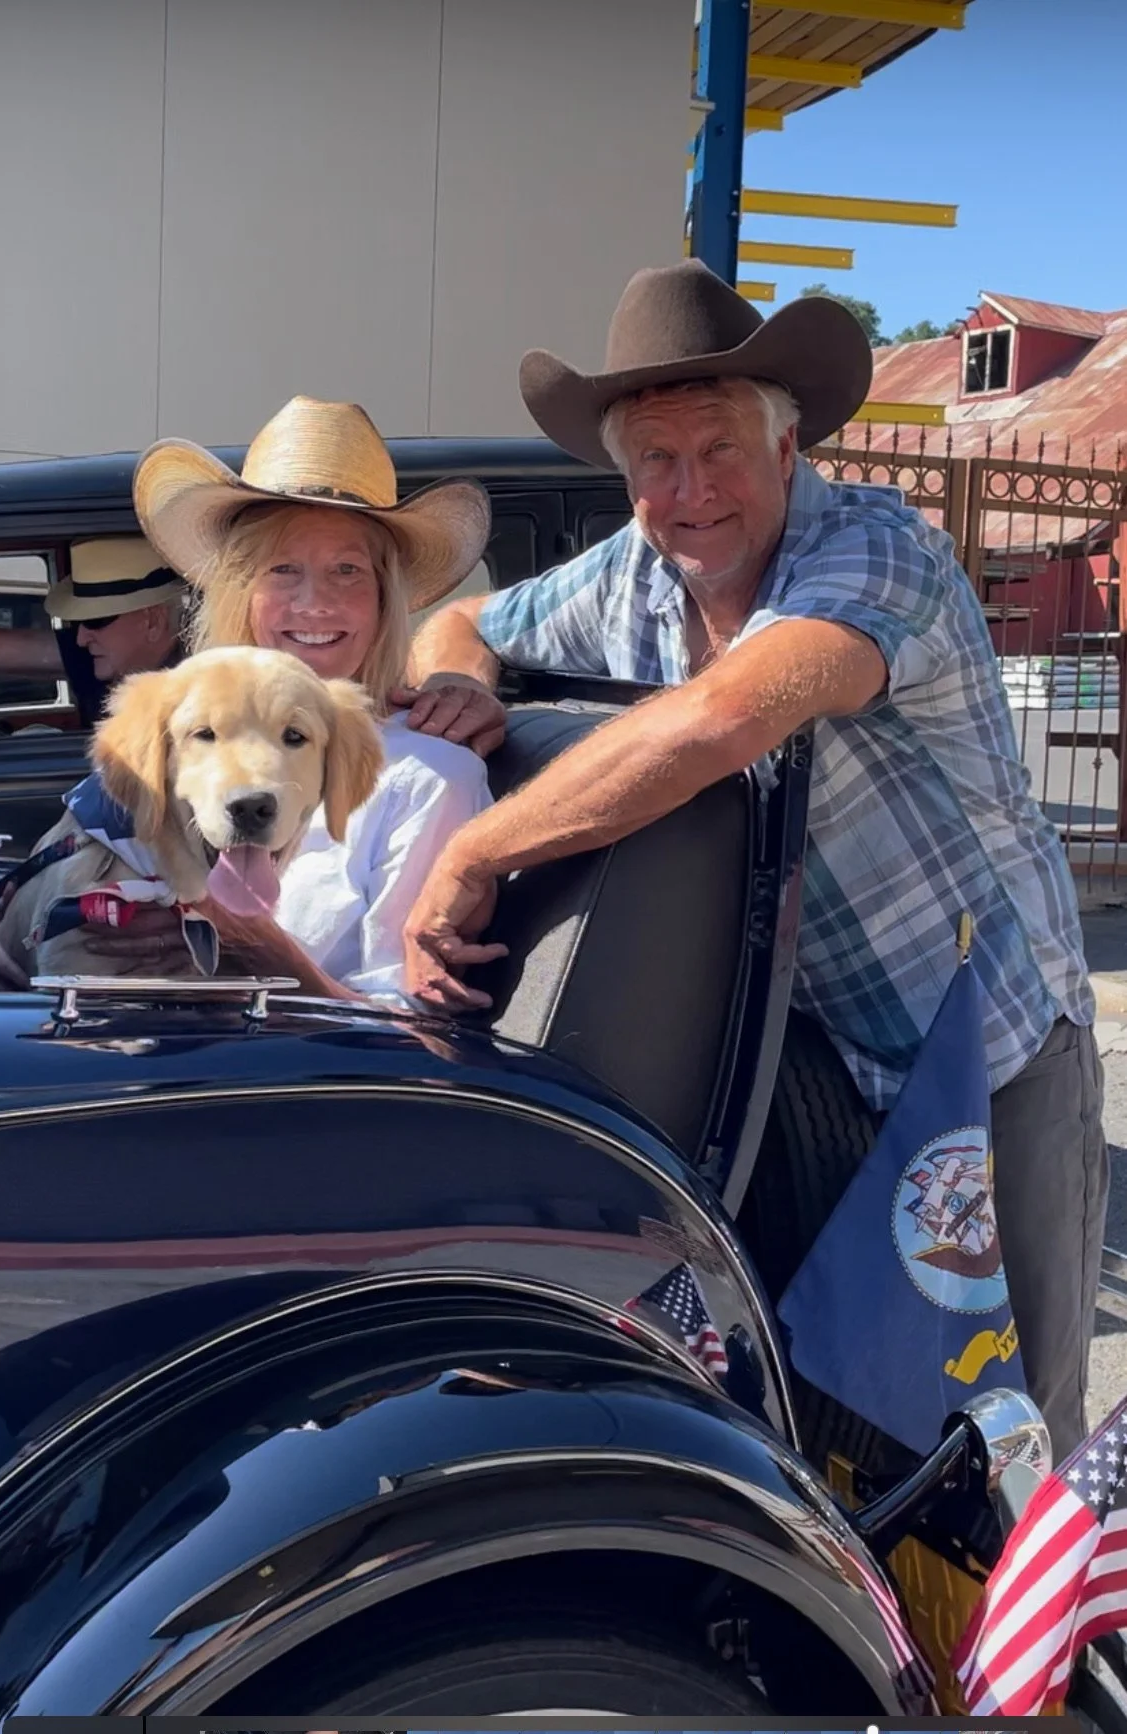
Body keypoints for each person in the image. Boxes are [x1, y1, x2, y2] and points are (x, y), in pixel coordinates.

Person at [398, 258, 1108, 1460]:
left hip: (985, 1049)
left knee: (1013, 1422)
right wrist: (459, 678)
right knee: (851, 1418)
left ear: (788, 451)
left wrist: (474, 851)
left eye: (720, 449)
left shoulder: (880, 554)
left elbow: (722, 719)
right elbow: (460, 616)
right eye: (656, 463)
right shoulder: (635, 565)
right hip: (803, 1059)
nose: (691, 491)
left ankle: (1046, 1636)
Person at [0, 396, 493, 1001]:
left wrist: (261, 951)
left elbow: (416, 1038)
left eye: (348, 570)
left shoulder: (430, 777)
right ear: (238, 588)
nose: (314, 601)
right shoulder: (178, 724)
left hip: (263, 1087)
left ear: (383, 599)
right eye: (282, 569)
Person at [0, 539, 185, 740]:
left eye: (95, 620)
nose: (81, 638)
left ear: (153, 621)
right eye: (77, 622)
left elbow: (104, 779)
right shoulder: (103, 656)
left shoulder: (195, 697)